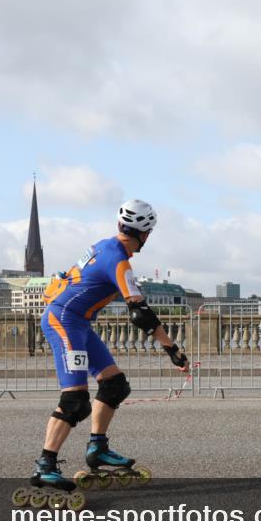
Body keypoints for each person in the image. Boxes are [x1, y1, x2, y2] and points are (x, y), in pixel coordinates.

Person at [30, 199, 188, 492]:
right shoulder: (118, 260)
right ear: (146, 234)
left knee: (114, 385)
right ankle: (45, 465)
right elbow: (140, 313)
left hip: (75, 320)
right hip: (64, 320)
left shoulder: (102, 246)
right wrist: (172, 350)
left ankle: (97, 448)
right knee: (75, 401)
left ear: (120, 225)